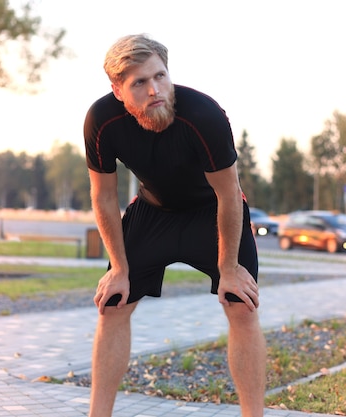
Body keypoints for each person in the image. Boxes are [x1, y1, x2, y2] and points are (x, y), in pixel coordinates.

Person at [83, 34, 266, 417]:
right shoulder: (102, 121)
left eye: (160, 76)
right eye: (139, 83)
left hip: (212, 212)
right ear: (117, 90)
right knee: (112, 305)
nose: (155, 90)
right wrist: (118, 268)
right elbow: (103, 197)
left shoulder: (203, 114)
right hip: (153, 212)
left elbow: (229, 194)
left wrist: (229, 269)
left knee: (242, 305)